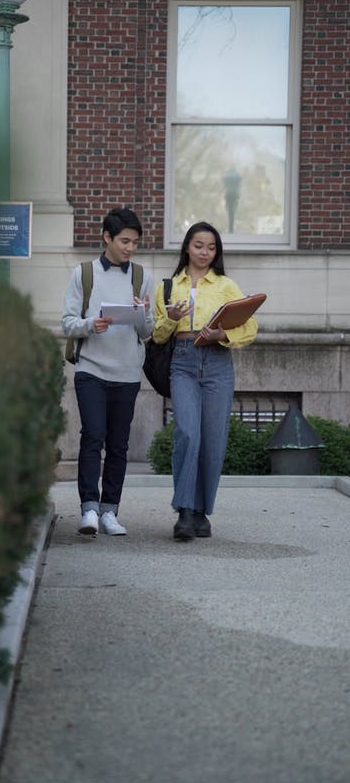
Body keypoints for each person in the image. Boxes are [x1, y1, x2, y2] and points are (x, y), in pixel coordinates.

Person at [151, 221, 258, 540]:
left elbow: (250, 328)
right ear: (187, 247)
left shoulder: (226, 285)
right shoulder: (168, 286)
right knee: (187, 433)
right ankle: (184, 510)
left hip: (217, 362)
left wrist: (222, 334)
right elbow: (156, 335)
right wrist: (170, 319)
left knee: (213, 439)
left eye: (211, 247)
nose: (205, 252)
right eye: (199, 245)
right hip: (182, 361)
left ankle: (200, 512)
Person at [62, 207, 154, 536]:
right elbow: (67, 323)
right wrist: (92, 324)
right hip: (91, 370)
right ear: (107, 237)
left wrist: (142, 314)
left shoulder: (143, 277)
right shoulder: (84, 274)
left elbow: (148, 333)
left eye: (135, 242)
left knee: (118, 445)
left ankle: (109, 511)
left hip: (127, 374)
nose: (130, 248)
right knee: (93, 437)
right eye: (125, 241)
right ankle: (88, 508)